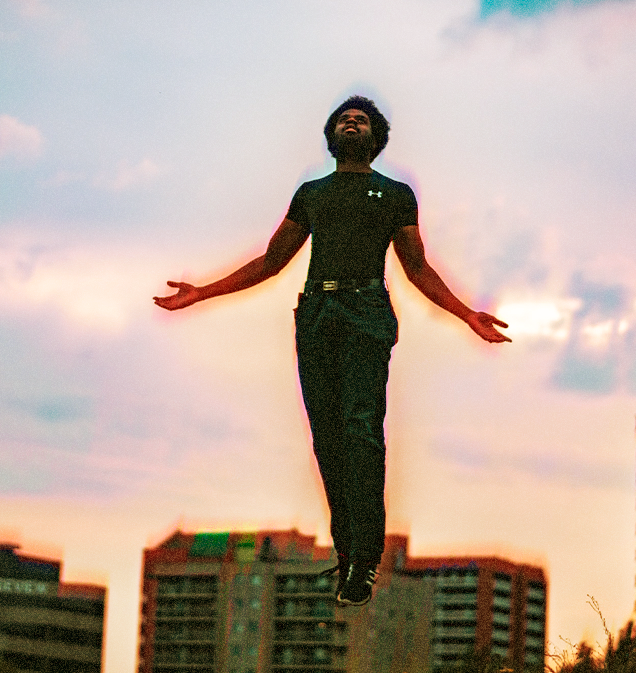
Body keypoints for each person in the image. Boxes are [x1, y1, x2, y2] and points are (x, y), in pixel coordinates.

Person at [154, 96, 511, 606]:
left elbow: (417, 268)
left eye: (362, 119)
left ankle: (366, 560)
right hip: (316, 317)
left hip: (366, 310)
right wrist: (203, 292)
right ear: (332, 132)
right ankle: (349, 558)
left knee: (361, 431)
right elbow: (272, 261)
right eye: (345, 117)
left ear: (375, 136)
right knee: (328, 441)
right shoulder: (312, 194)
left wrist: (466, 314)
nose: (352, 120)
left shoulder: (394, 196)